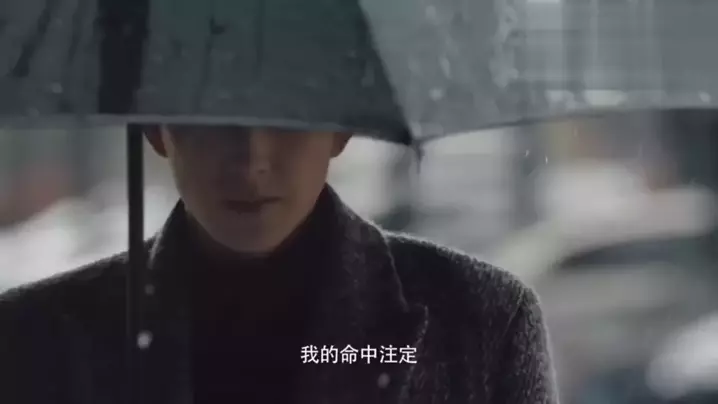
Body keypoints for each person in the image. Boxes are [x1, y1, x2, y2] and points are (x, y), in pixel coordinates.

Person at [0, 124, 559, 404]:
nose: (251, 159)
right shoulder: (35, 336)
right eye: (215, 115)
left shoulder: (482, 322)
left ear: (341, 128)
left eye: (287, 119)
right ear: (154, 127)